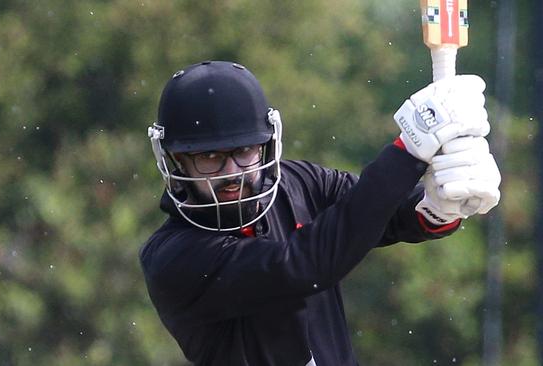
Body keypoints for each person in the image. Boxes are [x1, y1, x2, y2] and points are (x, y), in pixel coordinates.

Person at [140, 60, 500, 365]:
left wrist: (436, 207)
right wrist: (408, 150)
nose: (233, 172)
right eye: (209, 158)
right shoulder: (173, 258)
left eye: (245, 150)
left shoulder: (296, 183)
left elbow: (380, 212)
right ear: (175, 160)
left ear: (266, 143)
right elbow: (304, 266)